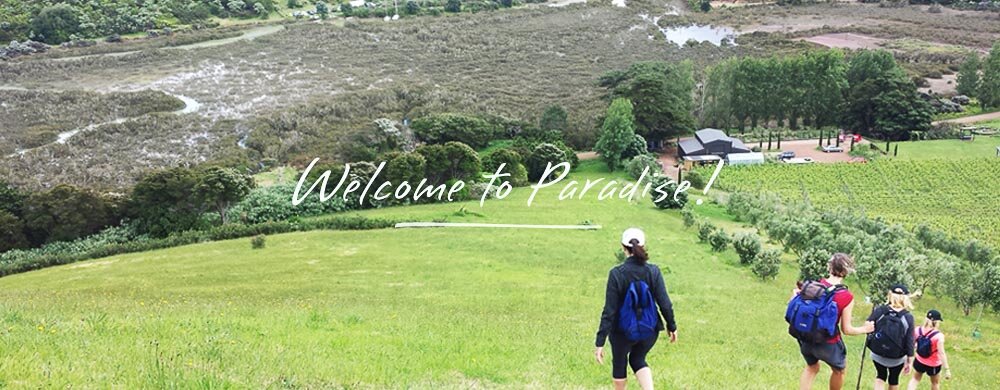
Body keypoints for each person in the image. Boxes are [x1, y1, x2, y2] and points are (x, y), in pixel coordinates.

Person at [595, 228, 677, 390]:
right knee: (638, 358)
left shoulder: (616, 274)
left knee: (620, 362)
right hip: (649, 330)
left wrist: (600, 342)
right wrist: (671, 326)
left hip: (621, 331)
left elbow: (609, 311)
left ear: (622, 247)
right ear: (644, 245)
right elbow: (665, 303)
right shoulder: (653, 271)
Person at [794, 253, 875, 390]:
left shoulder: (814, 286)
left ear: (829, 267)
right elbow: (847, 329)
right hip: (828, 342)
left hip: (806, 337)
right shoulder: (846, 296)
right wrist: (865, 329)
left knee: (812, 367)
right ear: (847, 271)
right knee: (839, 371)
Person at [866, 284, 916, 390]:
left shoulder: (880, 310)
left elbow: (868, 326)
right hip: (897, 357)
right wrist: (910, 361)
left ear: (890, 295)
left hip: (877, 353)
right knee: (894, 379)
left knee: (880, 376)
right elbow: (910, 340)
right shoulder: (908, 317)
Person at [907, 310, 952, 390]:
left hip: (919, 360)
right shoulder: (938, 336)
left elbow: (912, 345)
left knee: (915, 379)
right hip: (934, 364)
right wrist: (947, 369)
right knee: (935, 383)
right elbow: (941, 353)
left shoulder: (918, 330)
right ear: (937, 322)